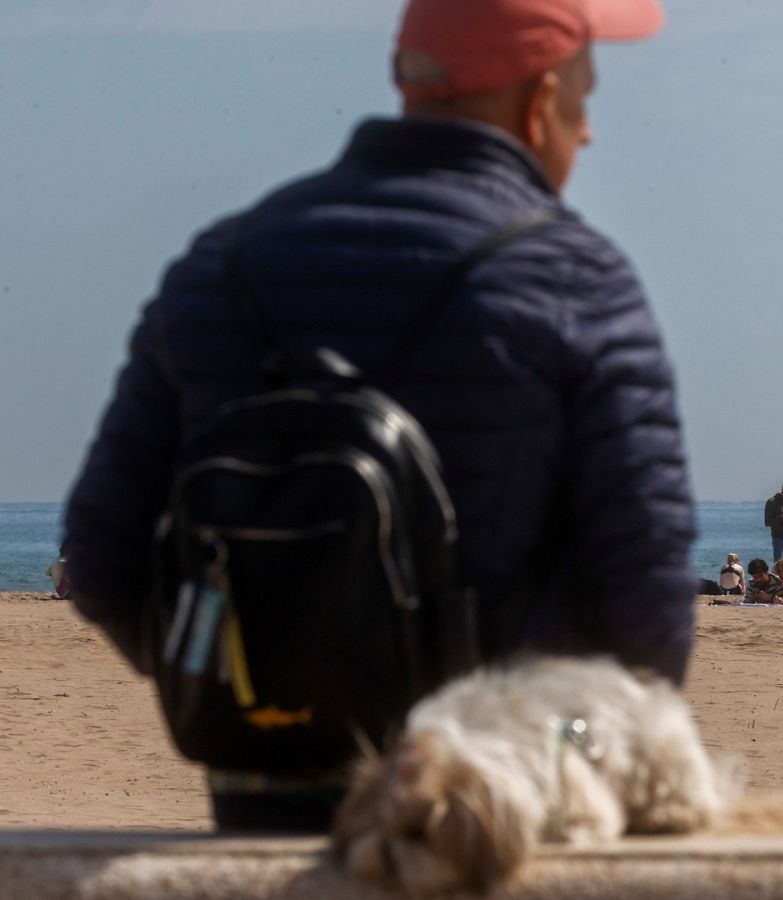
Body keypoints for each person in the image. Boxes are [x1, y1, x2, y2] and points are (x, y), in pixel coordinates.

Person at [61, 0, 690, 832]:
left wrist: (250, 689)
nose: (588, 133)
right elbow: (647, 616)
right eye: (584, 101)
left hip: (265, 812)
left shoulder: (221, 264)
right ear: (539, 103)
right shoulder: (576, 280)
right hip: (486, 826)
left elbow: (101, 557)